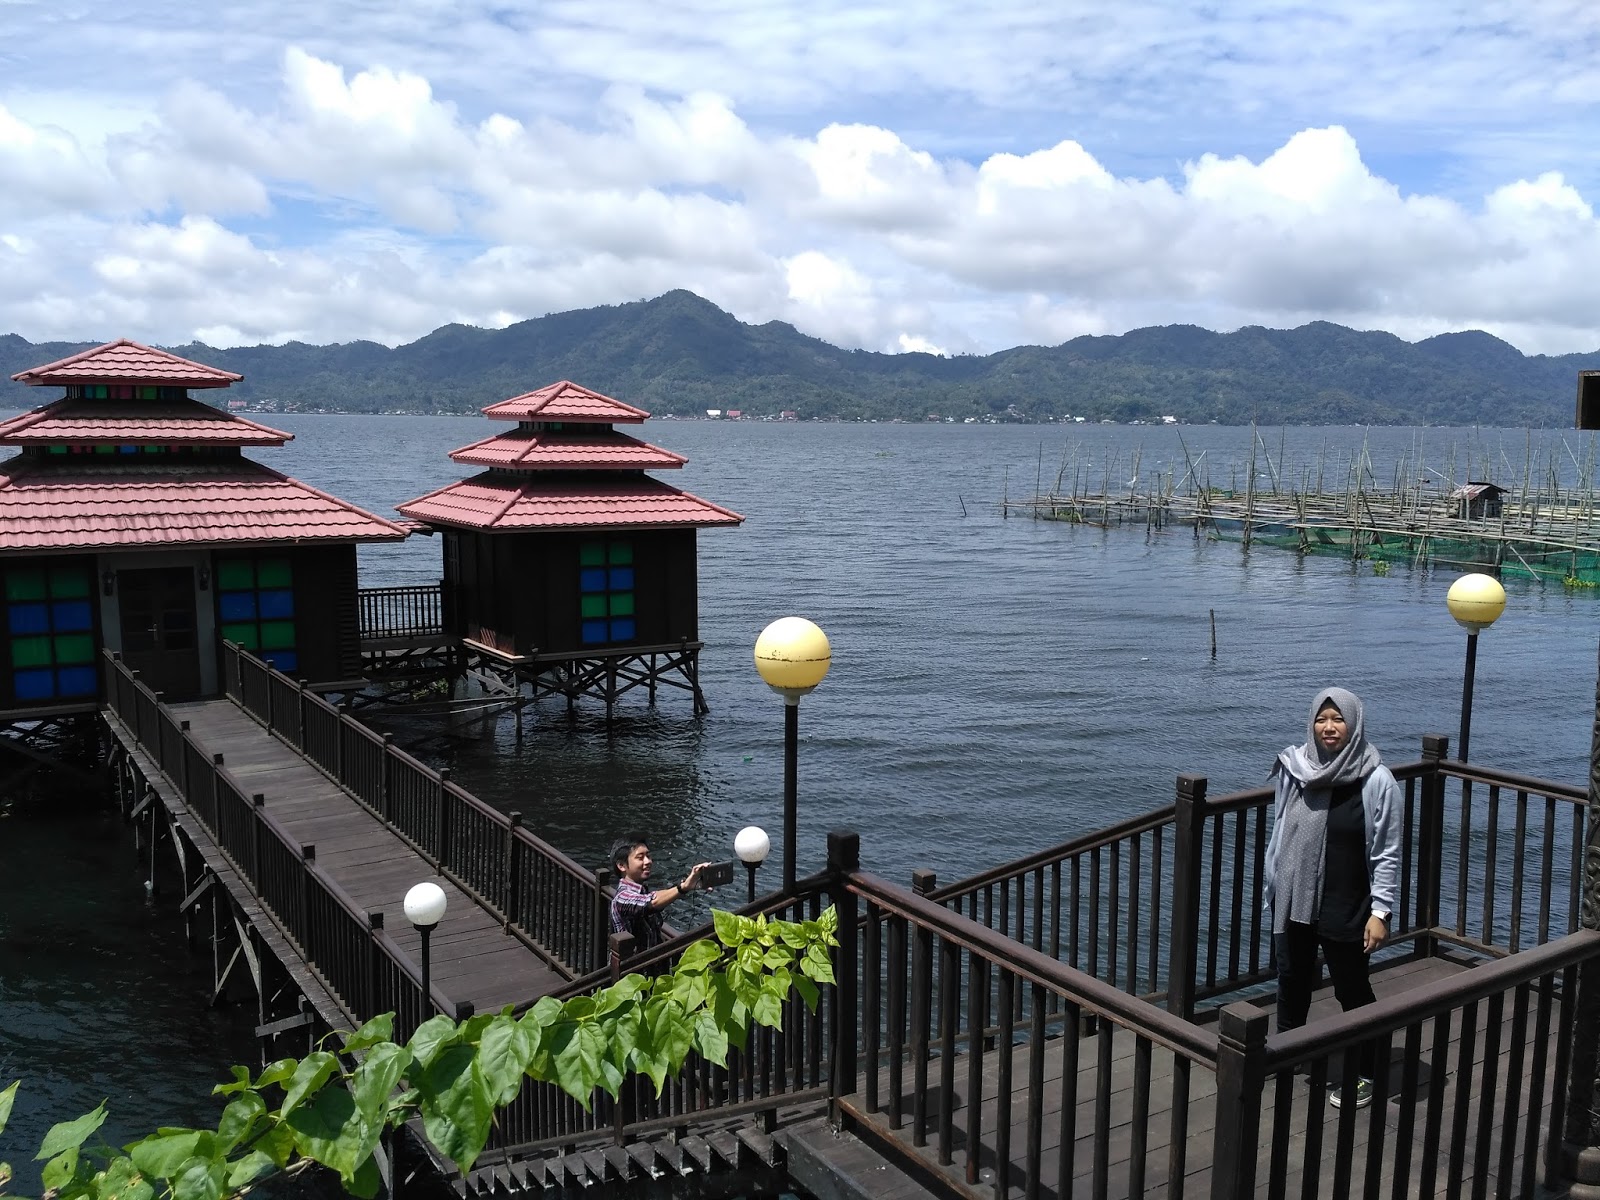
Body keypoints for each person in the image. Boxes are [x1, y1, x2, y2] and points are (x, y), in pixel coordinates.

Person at [1262, 686, 1401, 1111]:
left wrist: (1381, 911)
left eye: (1338, 718)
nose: (1328, 727)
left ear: (1354, 723)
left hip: (1346, 899)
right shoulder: (1297, 768)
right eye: (1321, 718)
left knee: (1351, 988)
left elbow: (1387, 851)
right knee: (1292, 979)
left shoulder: (1376, 780)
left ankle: (1366, 1071)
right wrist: (1274, 883)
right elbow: (1281, 828)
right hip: (1295, 895)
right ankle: (1286, 1053)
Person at [608, 834, 711, 952]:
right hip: (634, 963)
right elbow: (652, 902)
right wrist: (683, 887)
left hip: (651, 961)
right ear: (621, 865)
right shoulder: (622, 898)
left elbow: (654, 898)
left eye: (648, 856)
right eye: (640, 858)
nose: (648, 861)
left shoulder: (642, 891)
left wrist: (690, 885)